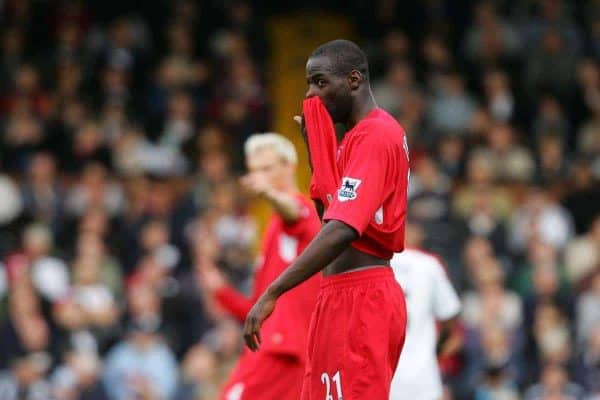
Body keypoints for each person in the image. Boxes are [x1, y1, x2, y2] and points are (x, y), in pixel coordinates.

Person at [243, 39, 409, 400]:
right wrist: (317, 154)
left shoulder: (376, 134)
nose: (311, 94)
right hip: (338, 294)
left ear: (353, 80)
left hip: (363, 295)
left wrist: (274, 291)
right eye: (308, 83)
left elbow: (343, 229)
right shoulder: (350, 139)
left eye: (320, 82)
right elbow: (332, 217)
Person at [201, 133, 321, 399]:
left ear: (289, 166)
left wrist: (268, 193)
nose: (258, 178)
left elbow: (293, 210)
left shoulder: (302, 210)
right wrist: (221, 291)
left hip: (284, 350)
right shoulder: (272, 227)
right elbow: (259, 310)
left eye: (266, 169)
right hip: (273, 346)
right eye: (254, 171)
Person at [389, 222, 462, 400]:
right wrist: (436, 350)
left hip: (385, 376)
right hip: (422, 375)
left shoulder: (375, 263)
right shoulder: (428, 264)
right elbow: (450, 316)